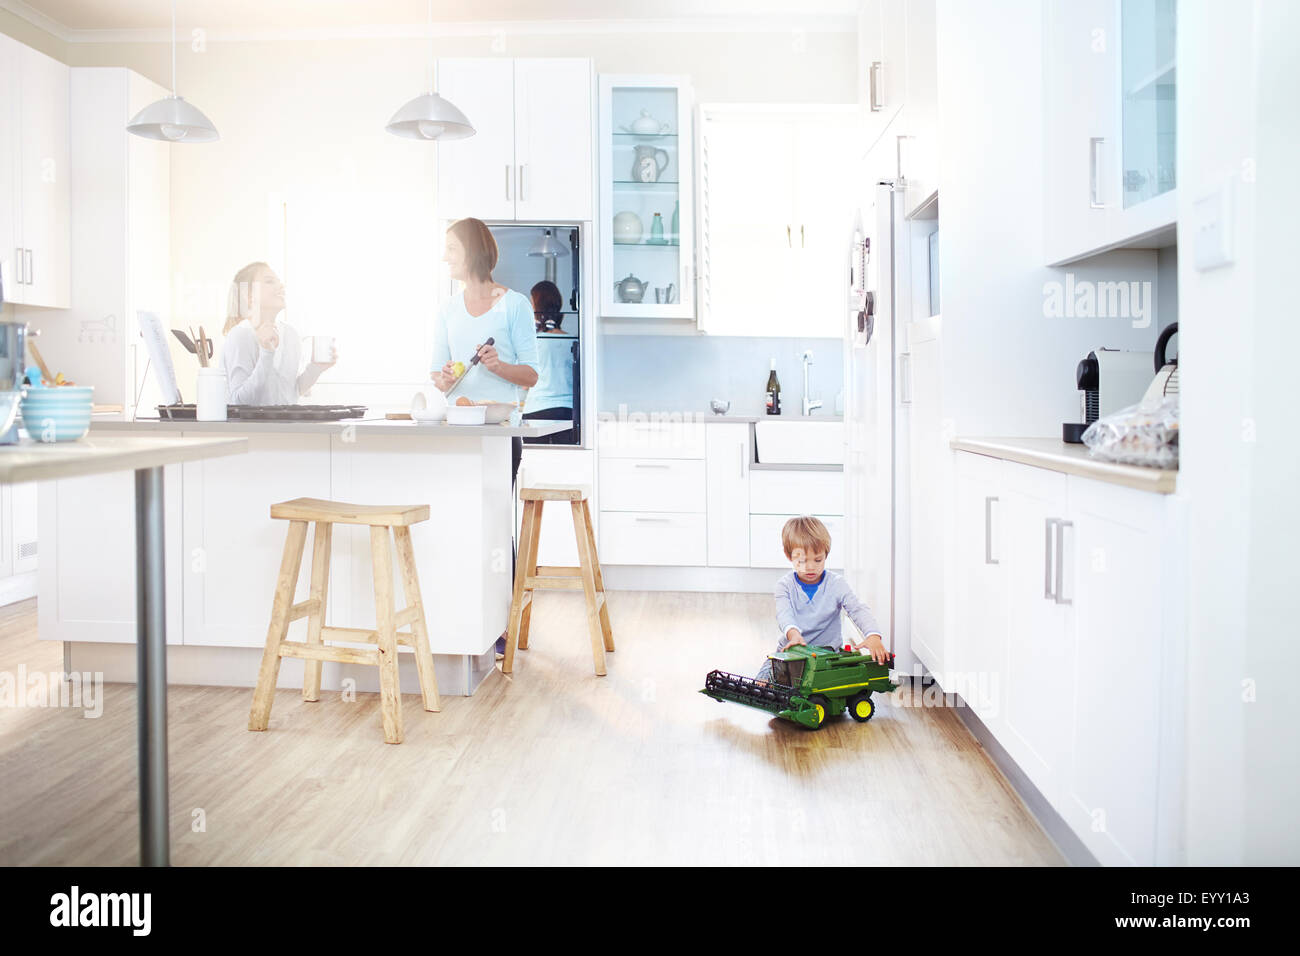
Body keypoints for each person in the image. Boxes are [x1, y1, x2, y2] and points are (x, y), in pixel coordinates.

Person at [430, 218, 539, 654]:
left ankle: (501, 624)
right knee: (460, 520)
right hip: (457, 432)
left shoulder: (512, 306)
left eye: (452, 249)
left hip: (500, 431)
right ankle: (461, 618)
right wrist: (442, 378)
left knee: (493, 522)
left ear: (473, 252)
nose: (445, 258)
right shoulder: (447, 309)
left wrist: (497, 366)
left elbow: (530, 374)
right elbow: (440, 374)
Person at [756, 516, 889, 683]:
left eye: (818, 560)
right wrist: (794, 634)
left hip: (828, 655)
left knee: (842, 680)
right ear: (788, 555)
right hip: (792, 652)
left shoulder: (837, 584)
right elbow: (784, 615)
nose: (810, 567)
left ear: (826, 554)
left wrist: (873, 635)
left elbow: (857, 609)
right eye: (802, 561)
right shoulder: (784, 586)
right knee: (766, 676)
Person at [219, 261, 336, 405]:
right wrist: (266, 353)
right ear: (249, 296)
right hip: (251, 428)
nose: (281, 286)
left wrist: (316, 368)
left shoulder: (291, 335)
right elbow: (239, 401)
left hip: (285, 427)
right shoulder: (241, 336)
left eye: (279, 282)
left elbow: (291, 392)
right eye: (269, 281)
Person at [522, 280, 576, 445]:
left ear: (535, 306)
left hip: (537, 411)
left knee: (535, 464)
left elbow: (525, 382)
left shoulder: (532, 341)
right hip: (568, 412)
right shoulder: (573, 340)